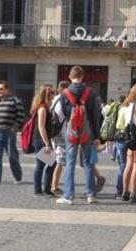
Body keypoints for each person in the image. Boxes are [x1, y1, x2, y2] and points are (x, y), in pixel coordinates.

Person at [55, 66, 102, 205]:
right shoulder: (91, 93)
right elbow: (95, 116)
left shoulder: (65, 93)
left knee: (70, 163)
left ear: (70, 77)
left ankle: (69, 196)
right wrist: (97, 136)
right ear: (82, 76)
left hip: (71, 131)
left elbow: (63, 113)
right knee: (88, 163)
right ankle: (91, 195)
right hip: (87, 132)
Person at [0, 81, 24, 184]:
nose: (0, 91)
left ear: (7, 89)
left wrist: (14, 128)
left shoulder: (15, 100)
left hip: (9, 132)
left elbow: (20, 115)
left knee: (12, 156)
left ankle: (18, 177)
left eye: (1, 89)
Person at [31, 83, 57, 196]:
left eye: (54, 92)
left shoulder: (45, 106)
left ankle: (44, 189)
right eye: (51, 92)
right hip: (41, 139)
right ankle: (40, 189)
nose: (54, 94)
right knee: (45, 164)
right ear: (46, 94)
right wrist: (47, 143)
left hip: (42, 139)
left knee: (48, 163)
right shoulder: (42, 108)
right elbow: (41, 127)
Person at [50, 80, 70, 193]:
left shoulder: (54, 99)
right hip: (61, 133)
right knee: (60, 160)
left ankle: (46, 182)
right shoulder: (65, 100)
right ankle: (54, 185)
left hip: (52, 132)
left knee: (51, 158)